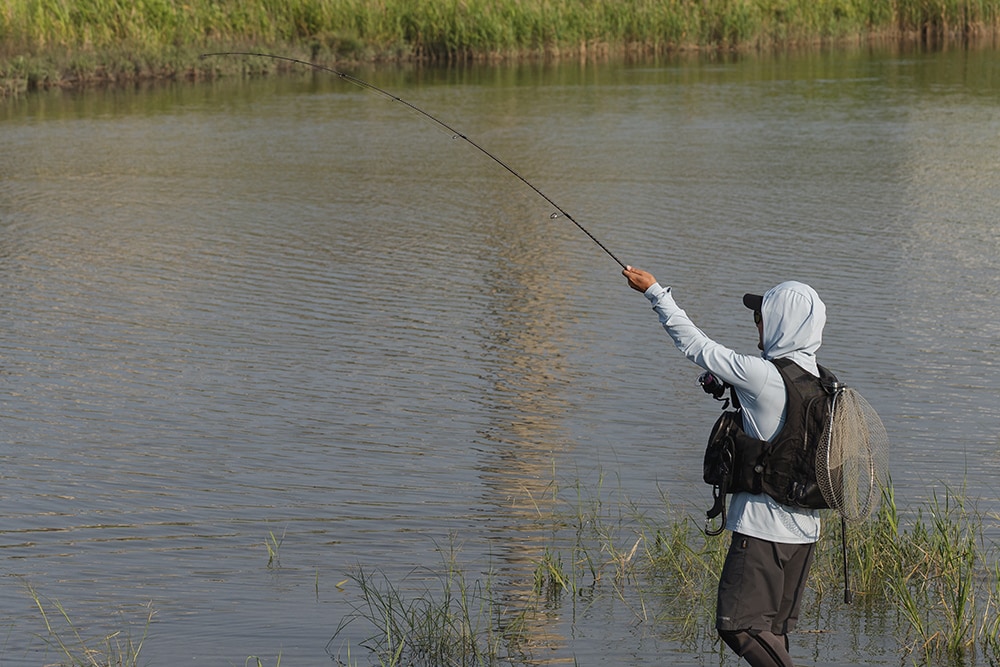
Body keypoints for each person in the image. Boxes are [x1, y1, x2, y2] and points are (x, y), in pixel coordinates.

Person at [622, 265, 827, 667]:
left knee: (739, 626)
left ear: (781, 322)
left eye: (761, 316)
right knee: (771, 633)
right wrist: (731, 385)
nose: (757, 324)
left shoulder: (761, 376)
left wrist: (655, 292)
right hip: (805, 534)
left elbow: (695, 345)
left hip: (763, 531)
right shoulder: (822, 381)